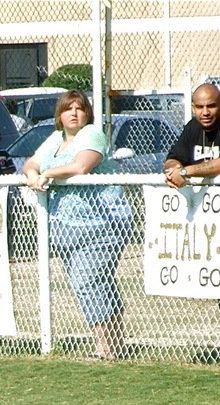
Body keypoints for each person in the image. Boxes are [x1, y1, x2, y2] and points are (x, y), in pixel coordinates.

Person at [23, 90, 133, 361]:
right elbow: (30, 163)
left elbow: (81, 166)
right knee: (96, 283)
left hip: (103, 223)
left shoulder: (92, 134)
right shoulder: (55, 138)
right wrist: (33, 174)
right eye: (67, 108)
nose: (74, 113)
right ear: (59, 115)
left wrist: (47, 174)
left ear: (87, 113)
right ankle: (116, 344)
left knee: (89, 280)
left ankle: (104, 347)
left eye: (79, 108)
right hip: (67, 228)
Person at [164, 83, 220, 190]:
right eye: (200, 107)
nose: (205, 112)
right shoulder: (192, 127)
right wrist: (174, 171)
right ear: (193, 108)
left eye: (211, 106)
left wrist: (184, 172)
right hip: (204, 202)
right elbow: (172, 159)